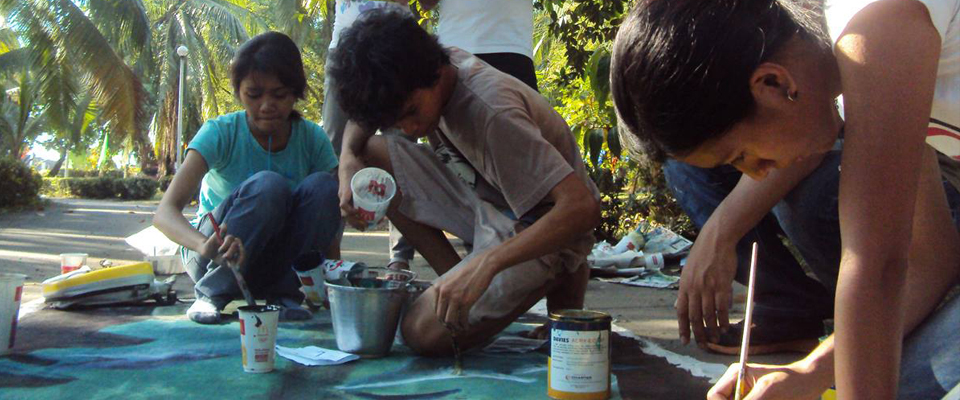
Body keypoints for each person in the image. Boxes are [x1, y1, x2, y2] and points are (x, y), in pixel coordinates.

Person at [610, 0, 960, 398]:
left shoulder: (876, 26)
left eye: (741, 155)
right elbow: (929, 259)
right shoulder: (856, 67)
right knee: (893, 377)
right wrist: (809, 372)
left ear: (772, 84)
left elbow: (878, 266)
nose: (758, 174)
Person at [329, 9, 601, 355]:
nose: (409, 129)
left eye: (411, 112)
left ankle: (557, 272)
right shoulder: (436, 64)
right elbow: (363, 122)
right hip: (488, 201)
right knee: (369, 155)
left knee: (420, 332)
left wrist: (487, 264)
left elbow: (583, 208)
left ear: (433, 73)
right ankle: (458, 282)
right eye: (396, 121)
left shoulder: (492, 112)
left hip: (544, 226)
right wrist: (348, 161)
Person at [154, 32, 341, 325]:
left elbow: (328, 211)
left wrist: (334, 277)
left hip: (274, 266)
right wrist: (203, 245)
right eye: (254, 95)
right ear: (239, 92)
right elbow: (164, 213)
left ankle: (285, 295)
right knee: (269, 185)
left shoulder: (312, 139)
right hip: (213, 257)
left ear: (295, 92)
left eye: (279, 95)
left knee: (327, 186)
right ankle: (212, 294)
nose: (267, 105)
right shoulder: (220, 132)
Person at [322, 0, 416, 270]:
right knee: (333, 154)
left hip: (397, 49)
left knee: (400, 152)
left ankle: (400, 257)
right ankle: (329, 253)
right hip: (344, 49)